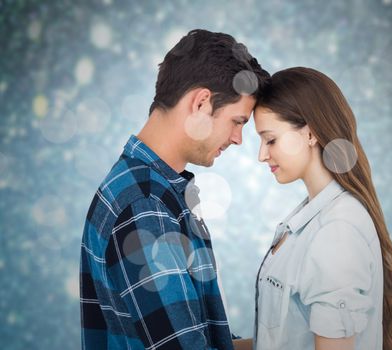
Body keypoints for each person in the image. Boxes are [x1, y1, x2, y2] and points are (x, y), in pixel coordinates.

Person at [80, 29, 270, 350]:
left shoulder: (152, 190)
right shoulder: (144, 205)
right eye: (237, 121)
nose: (239, 138)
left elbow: (202, 339)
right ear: (201, 103)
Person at [236, 67, 392, 350]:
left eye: (271, 139)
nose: (262, 155)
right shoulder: (314, 217)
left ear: (311, 134)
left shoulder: (337, 231)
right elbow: (287, 339)